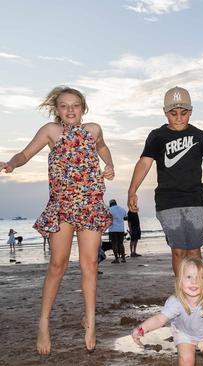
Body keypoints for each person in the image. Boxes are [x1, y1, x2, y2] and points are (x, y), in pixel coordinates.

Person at [0, 86, 114, 354]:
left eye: (75, 105)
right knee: (57, 264)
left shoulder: (94, 129)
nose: (70, 109)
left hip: (89, 204)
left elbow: (102, 147)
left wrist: (108, 164)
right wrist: (12, 164)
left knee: (89, 263)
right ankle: (43, 322)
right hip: (62, 206)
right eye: (64, 105)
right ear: (57, 110)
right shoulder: (51, 131)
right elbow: (26, 154)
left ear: (83, 108)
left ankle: (91, 321)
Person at [127, 86, 203, 276]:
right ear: (165, 113)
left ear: (191, 111)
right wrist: (132, 190)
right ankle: (183, 293)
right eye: (173, 113)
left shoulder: (199, 135)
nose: (179, 117)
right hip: (168, 201)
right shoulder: (157, 136)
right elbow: (144, 163)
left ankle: (198, 293)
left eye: (184, 113)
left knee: (194, 251)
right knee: (179, 251)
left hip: (196, 200)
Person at [131, 257, 203, 365]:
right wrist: (142, 329)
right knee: (186, 359)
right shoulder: (176, 302)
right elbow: (159, 319)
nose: (194, 282)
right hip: (184, 333)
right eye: (189, 277)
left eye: (199, 278)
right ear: (180, 280)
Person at [108, 199, 127, 263]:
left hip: (113, 229)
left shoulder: (109, 210)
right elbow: (126, 218)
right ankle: (123, 258)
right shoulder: (122, 209)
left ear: (110, 204)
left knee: (114, 244)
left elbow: (107, 218)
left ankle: (116, 259)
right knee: (121, 243)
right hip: (121, 229)